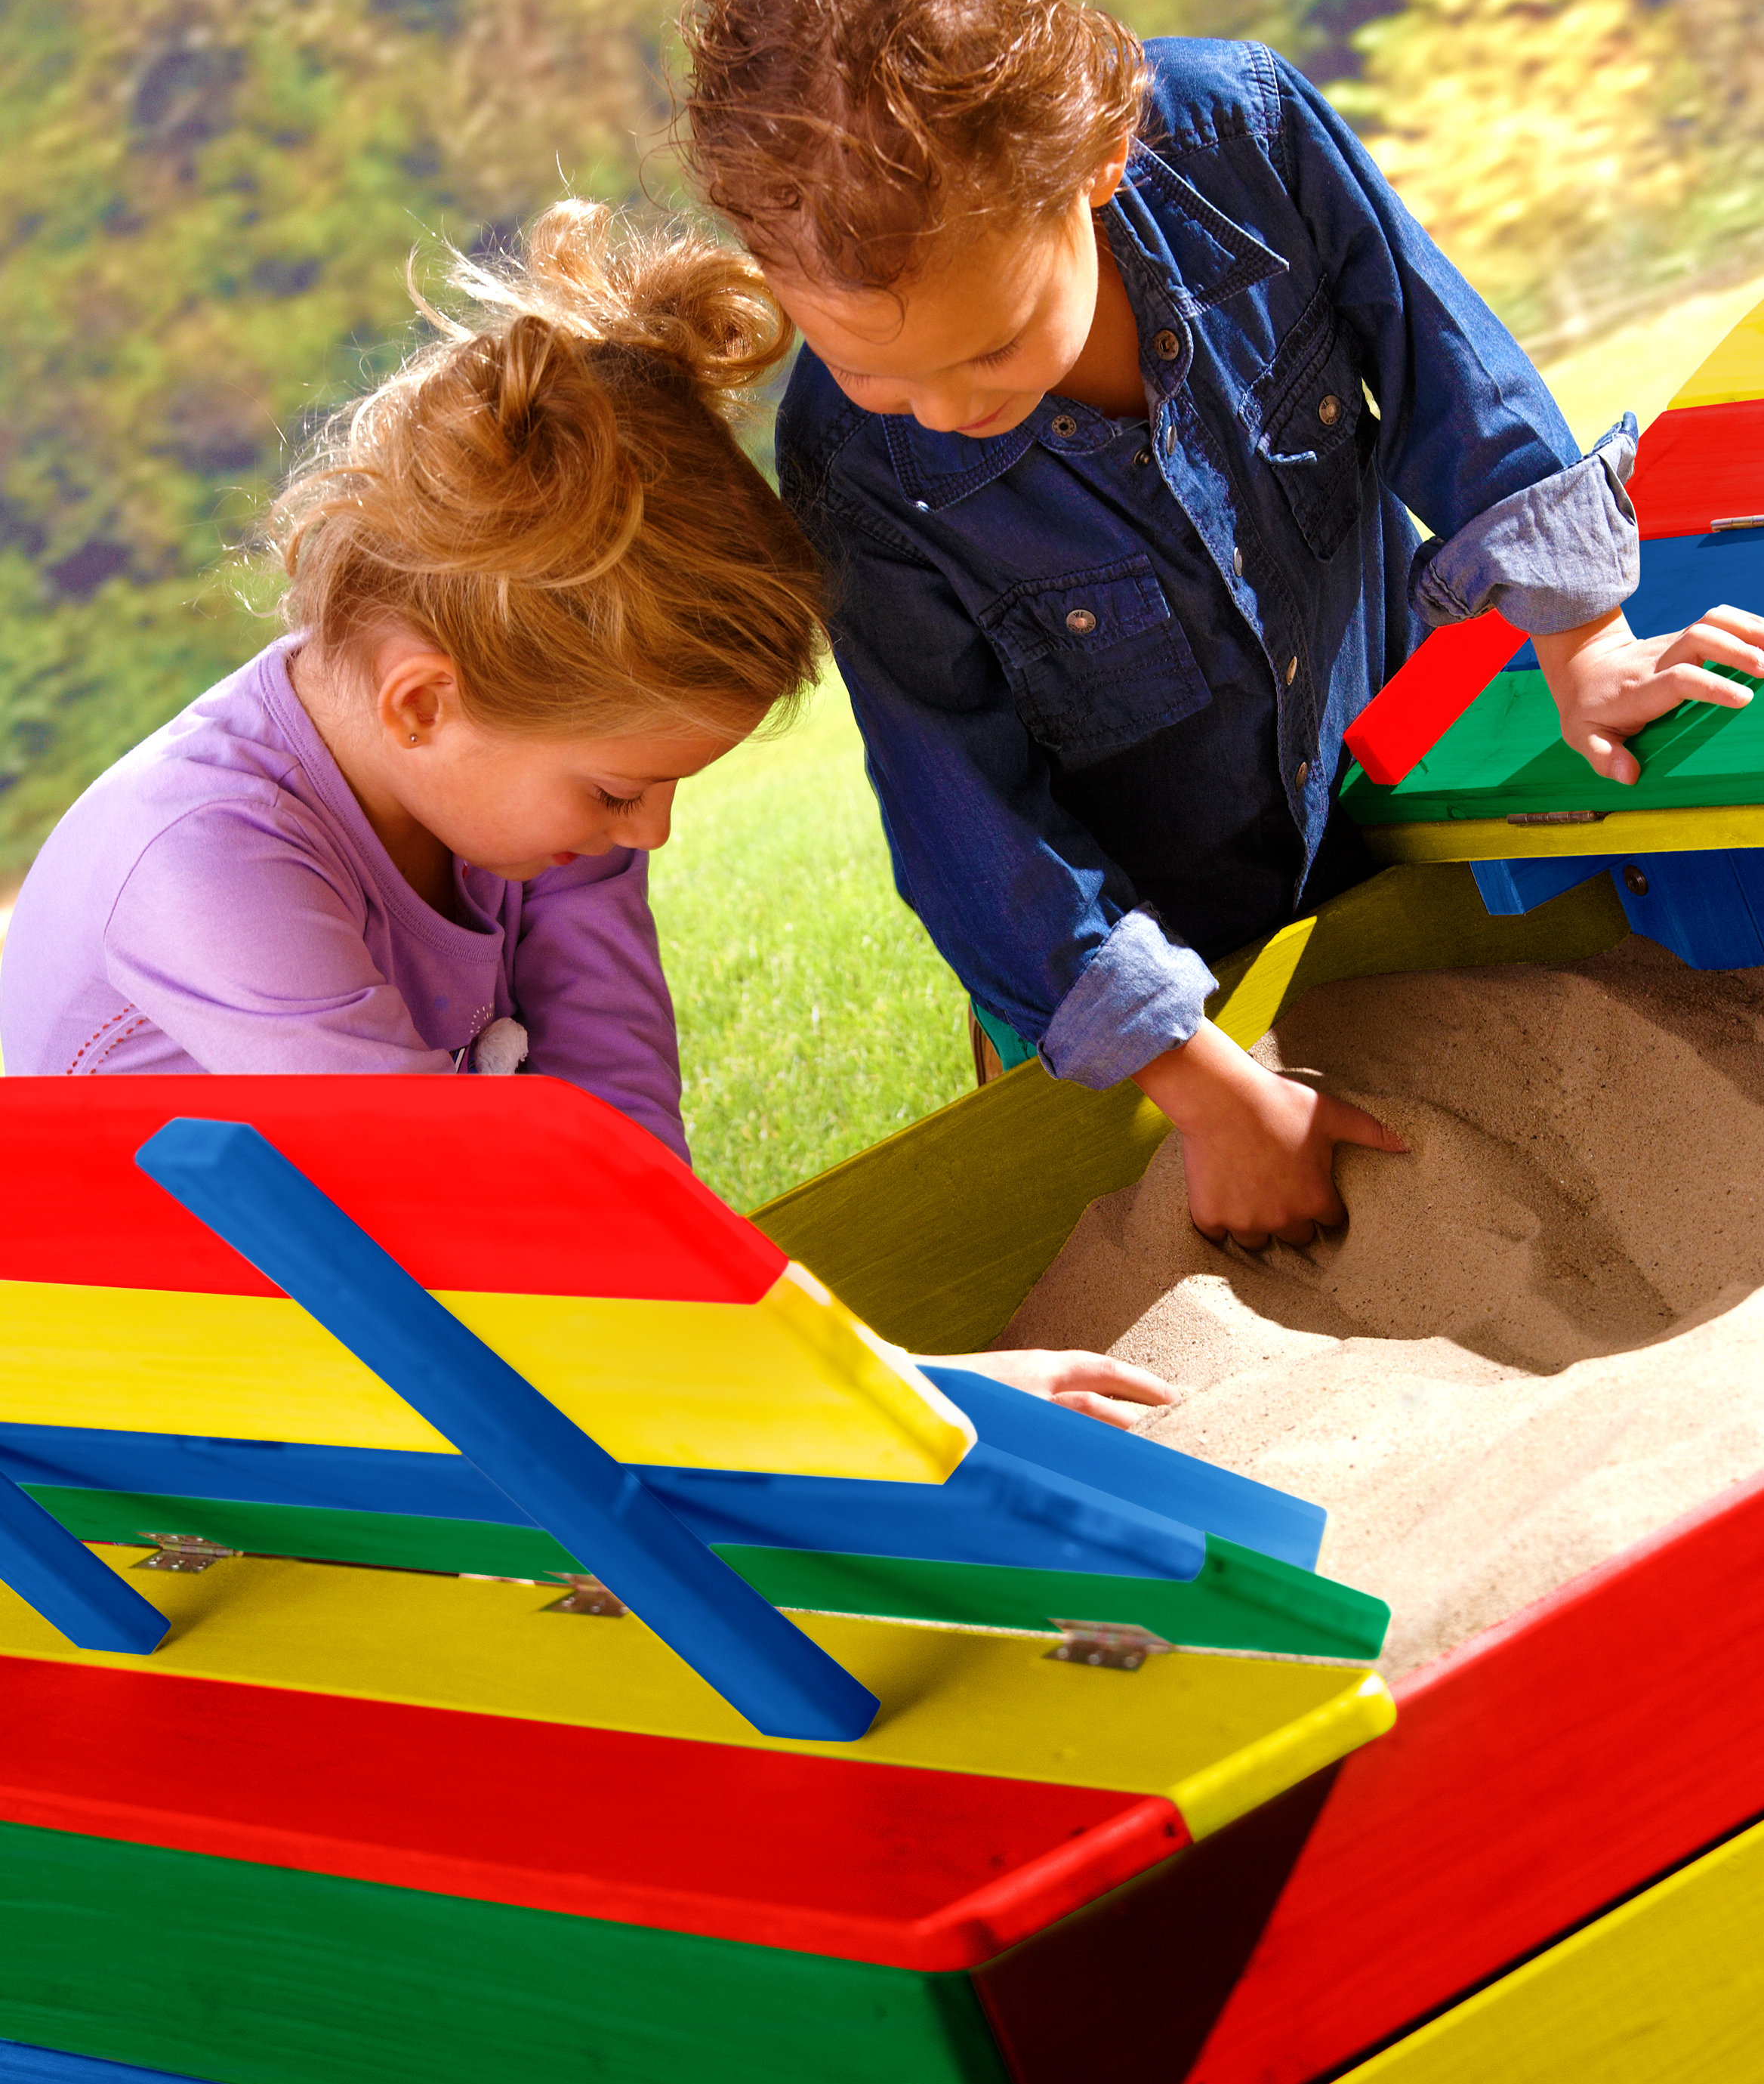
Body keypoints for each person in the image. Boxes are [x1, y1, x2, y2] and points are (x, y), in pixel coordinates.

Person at [676, 0, 1764, 1254]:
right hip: (1149, 974)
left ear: (1096, 158)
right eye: (867, 367)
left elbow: (1449, 375)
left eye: (988, 348)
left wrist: (1589, 644)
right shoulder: (858, 466)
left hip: (1380, 799)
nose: (945, 407)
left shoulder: (1243, 139)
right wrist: (1205, 1096)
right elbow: (968, 816)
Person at [0, 199, 1173, 1427]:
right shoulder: (206, 863)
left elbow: (616, 1136)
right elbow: (446, 1224)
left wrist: (803, 1365)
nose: (650, 832)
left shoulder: (527, 805)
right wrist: (885, 1400)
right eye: (621, 789)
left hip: (380, 1302)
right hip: (177, 1377)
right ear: (421, 705)